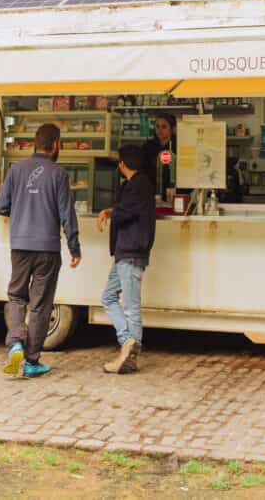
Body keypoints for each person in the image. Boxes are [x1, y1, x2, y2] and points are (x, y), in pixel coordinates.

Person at [0, 123, 81, 378]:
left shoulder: (15, 170)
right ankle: (32, 361)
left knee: (17, 296)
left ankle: (15, 344)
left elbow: (1, 206)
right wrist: (74, 248)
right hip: (47, 248)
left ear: (35, 143)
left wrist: (22, 209)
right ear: (55, 144)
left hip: (20, 246)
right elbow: (67, 215)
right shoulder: (59, 174)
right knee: (40, 305)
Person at [97, 144, 156, 374]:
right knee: (108, 297)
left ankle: (129, 347)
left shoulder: (137, 185)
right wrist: (110, 211)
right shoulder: (138, 185)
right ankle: (128, 343)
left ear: (122, 164)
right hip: (126, 252)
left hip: (131, 252)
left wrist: (111, 212)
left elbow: (126, 212)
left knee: (130, 306)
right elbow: (125, 209)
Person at [142, 112, 176, 200]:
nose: (160, 130)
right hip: (152, 193)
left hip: (174, 192)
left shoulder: (177, 146)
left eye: (164, 127)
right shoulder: (148, 146)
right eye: (157, 126)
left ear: (172, 128)